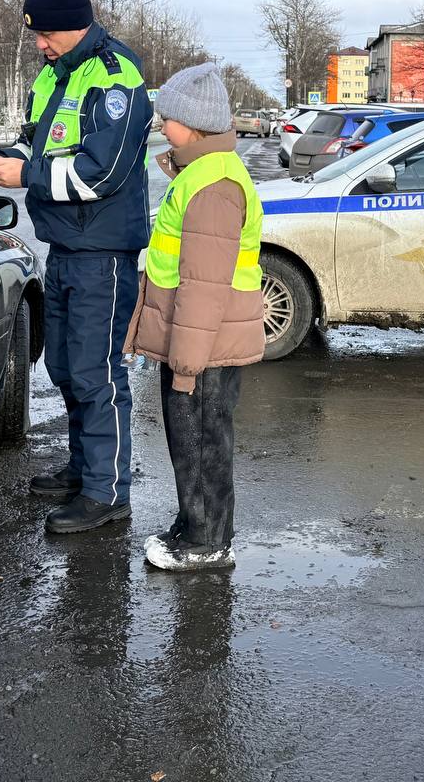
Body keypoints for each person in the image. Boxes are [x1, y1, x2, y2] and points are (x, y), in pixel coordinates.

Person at [0, 0, 152, 534]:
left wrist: (24, 175)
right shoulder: (53, 76)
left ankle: (107, 493)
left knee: (96, 373)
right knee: (66, 368)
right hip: (65, 245)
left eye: (46, 34)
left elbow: (102, 172)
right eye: (36, 35)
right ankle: (83, 469)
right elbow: (36, 140)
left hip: (103, 251)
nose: (39, 44)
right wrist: (6, 157)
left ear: (74, 26)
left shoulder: (116, 77)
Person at [126, 62, 265, 571]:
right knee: (196, 440)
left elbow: (204, 288)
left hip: (203, 348)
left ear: (194, 123)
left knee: (202, 441)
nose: (162, 126)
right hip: (200, 342)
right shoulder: (203, 173)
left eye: (168, 118)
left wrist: (186, 364)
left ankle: (207, 542)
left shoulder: (213, 185)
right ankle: (197, 525)